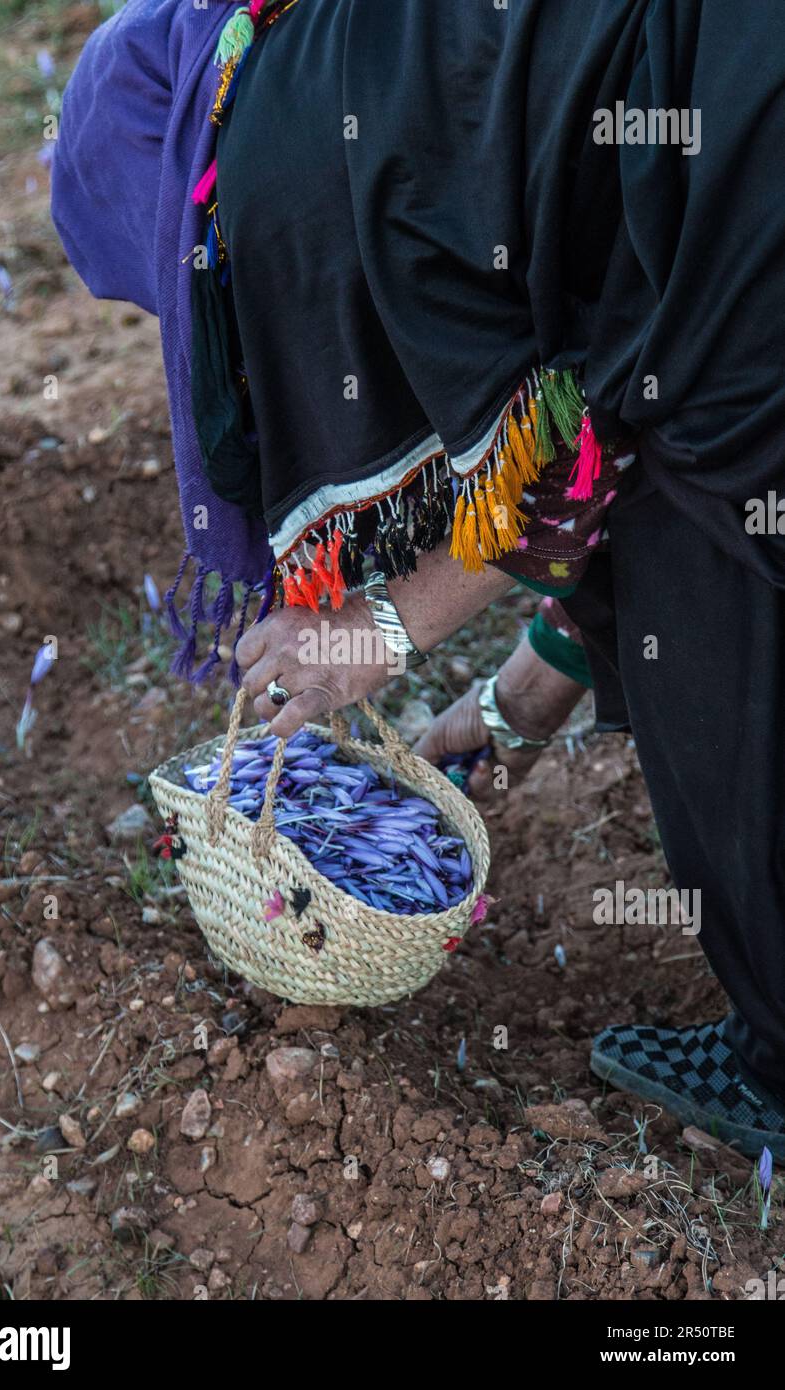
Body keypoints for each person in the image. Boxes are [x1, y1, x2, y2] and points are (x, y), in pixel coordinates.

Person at [53, 0, 785, 1156]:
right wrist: (519, 692)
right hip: (718, 120)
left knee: (712, 579)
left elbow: (571, 437)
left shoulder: (285, 177)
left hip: (743, 165)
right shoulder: (320, 54)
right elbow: (584, 333)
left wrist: (375, 631)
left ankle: (778, 1070)